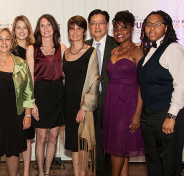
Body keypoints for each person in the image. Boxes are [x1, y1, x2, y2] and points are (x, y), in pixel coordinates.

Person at [137, 10, 184, 176]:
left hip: (167, 113)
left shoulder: (173, 49)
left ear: (166, 28)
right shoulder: (150, 50)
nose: (152, 28)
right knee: (153, 162)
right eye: (148, 24)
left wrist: (171, 116)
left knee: (169, 163)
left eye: (157, 24)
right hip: (150, 115)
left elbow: (181, 86)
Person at [0, 27, 34, 176]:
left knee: (13, 151)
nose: (4, 42)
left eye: (7, 38)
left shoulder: (21, 64)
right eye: (0, 39)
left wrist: (28, 115)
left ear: (12, 42)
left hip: (14, 113)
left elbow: (28, 92)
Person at [102, 11, 144, 176]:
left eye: (123, 28)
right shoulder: (114, 52)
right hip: (112, 104)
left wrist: (137, 114)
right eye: (116, 27)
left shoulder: (137, 52)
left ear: (132, 29)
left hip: (128, 105)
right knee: (121, 147)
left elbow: (143, 84)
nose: (119, 31)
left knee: (118, 148)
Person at [26, 14, 66, 176]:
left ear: (54, 27)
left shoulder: (62, 48)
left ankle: (48, 172)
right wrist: (32, 103)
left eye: (49, 25)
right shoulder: (32, 48)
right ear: (38, 29)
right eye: (42, 25)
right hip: (40, 96)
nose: (46, 29)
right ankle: (41, 172)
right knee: (41, 138)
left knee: (54, 137)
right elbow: (29, 77)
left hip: (57, 95)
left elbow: (66, 75)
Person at [63, 15, 99, 176]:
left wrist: (84, 108)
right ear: (68, 31)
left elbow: (94, 82)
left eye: (79, 28)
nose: (75, 32)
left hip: (83, 107)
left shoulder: (91, 52)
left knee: (83, 144)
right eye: (72, 28)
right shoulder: (65, 53)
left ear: (84, 32)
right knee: (73, 145)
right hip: (68, 106)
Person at [85, 9, 118, 176]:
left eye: (101, 23)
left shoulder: (117, 45)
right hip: (91, 102)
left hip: (113, 101)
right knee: (95, 139)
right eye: (93, 23)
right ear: (89, 26)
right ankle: (99, 171)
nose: (97, 26)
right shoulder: (84, 47)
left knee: (111, 140)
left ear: (107, 25)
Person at [11, 15, 35, 176]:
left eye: (24, 27)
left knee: (27, 137)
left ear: (29, 29)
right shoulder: (8, 49)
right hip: (11, 98)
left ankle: (26, 172)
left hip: (29, 97)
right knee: (13, 137)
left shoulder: (35, 48)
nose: (21, 31)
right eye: (18, 27)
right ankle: (15, 171)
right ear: (14, 30)